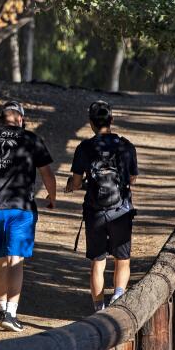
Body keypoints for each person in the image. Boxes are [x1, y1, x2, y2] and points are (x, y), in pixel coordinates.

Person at [0, 100, 56, 332]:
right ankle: (11, 313)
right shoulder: (31, 139)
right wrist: (52, 196)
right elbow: (47, 173)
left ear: (1, 119)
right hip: (21, 207)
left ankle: (0, 307)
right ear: (21, 120)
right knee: (16, 260)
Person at [66, 100, 139, 311]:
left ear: (91, 123)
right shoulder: (126, 146)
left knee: (98, 263)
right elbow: (132, 178)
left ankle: (99, 308)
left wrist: (72, 186)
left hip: (95, 210)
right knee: (122, 259)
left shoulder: (85, 147)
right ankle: (117, 298)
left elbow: (77, 182)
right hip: (121, 210)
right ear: (112, 120)